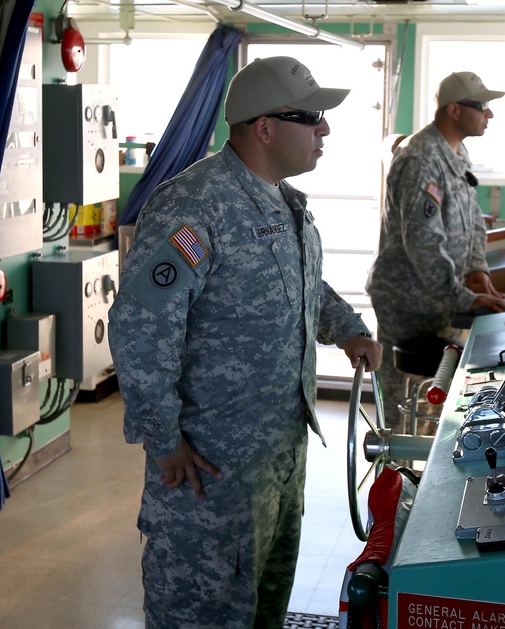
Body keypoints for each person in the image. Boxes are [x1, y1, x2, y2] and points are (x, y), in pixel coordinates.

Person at [108, 55, 383, 629]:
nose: (324, 129)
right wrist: (162, 440)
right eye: (312, 117)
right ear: (264, 127)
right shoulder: (193, 206)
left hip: (278, 458)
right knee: (205, 614)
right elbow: (141, 327)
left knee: (264, 607)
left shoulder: (284, 202)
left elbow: (304, 284)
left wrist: (348, 328)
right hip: (211, 470)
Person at [367, 71, 505, 434]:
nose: (489, 114)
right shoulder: (420, 160)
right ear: (454, 110)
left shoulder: (456, 152)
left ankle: (425, 470)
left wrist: (478, 270)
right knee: (401, 411)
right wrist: (463, 298)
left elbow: (473, 218)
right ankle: (395, 473)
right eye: (482, 107)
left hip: (440, 299)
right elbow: (423, 243)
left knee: (434, 400)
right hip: (408, 300)